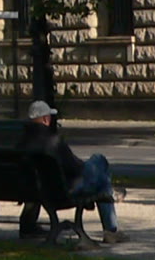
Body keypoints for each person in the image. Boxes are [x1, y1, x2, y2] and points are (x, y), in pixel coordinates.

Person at [18, 99, 124, 243]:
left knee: (101, 178)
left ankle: (109, 193)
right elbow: (75, 168)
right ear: (45, 119)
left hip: (34, 191)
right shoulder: (53, 141)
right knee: (99, 162)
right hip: (64, 192)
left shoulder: (21, 143)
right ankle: (111, 227)